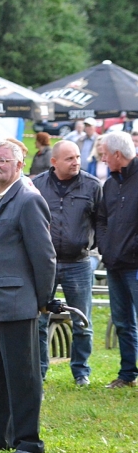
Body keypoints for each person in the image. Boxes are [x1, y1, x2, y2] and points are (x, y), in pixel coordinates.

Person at [0, 140, 56, 453]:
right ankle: (3, 435)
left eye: (3, 161)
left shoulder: (27, 199)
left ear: (20, 165)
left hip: (17, 303)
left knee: (22, 375)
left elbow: (45, 257)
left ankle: (29, 441)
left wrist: (41, 300)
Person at [33, 141, 101, 386]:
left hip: (79, 263)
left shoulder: (92, 186)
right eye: (70, 158)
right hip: (44, 264)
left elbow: (100, 220)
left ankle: (81, 371)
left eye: (77, 157)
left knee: (82, 320)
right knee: (39, 320)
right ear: (54, 162)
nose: (76, 162)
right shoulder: (37, 185)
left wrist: (94, 246)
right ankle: (39, 370)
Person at [95, 131, 138, 389]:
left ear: (117, 155)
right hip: (114, 264)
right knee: (122, 321)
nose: (102, 159)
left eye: (104, 155)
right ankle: (127, 374)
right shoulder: (110, 183)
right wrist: (105, 245)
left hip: (135, 264)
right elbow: (101, 218)